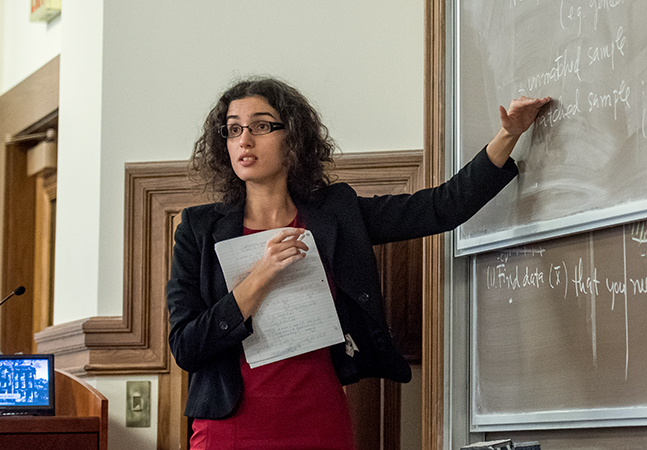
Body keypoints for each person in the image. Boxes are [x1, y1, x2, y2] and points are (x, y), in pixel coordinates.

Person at [166, 76, 551, 449]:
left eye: (261, 126)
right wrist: (259, 279)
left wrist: (509, 135)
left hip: (318, 420)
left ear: (293, 139)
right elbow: (186, 347)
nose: (244, 140)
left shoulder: (336, 213)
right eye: (233, 130)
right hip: (230, 429)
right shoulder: (198, 229)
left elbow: (440, 209)